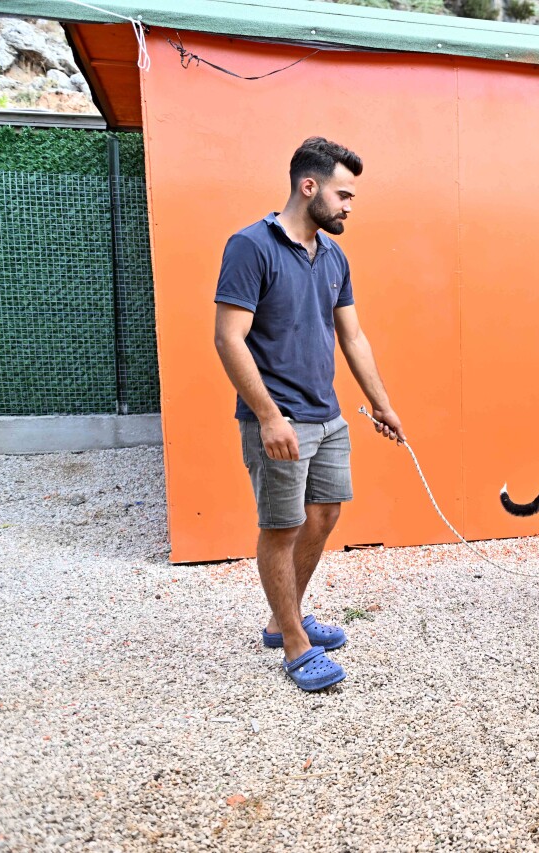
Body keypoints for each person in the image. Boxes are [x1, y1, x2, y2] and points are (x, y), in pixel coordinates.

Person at [213, 137, 404, 692]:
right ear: (309, 186)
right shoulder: (251, 246)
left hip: (328, 415)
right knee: (281, 527)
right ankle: (295, 643)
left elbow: (353, 337)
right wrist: (269, 417)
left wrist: (382, 404)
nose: (349, 206)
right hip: (280, 418)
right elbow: (228, 338)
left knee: (323, 516)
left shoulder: (334, 256)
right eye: (344, 195)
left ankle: (285, 618)